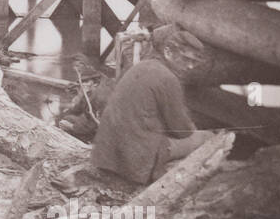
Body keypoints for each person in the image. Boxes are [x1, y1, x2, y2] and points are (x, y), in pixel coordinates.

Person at [91, 26, 216, 186]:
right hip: (135, 161)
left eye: (194, 62)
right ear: (168, 52)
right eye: (186, 59)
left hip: (105, 154)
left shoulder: (142, 65)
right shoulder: (169, 79)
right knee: (206, 137)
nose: (190, 66)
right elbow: (182, 131)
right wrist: (192, 127)